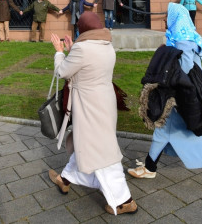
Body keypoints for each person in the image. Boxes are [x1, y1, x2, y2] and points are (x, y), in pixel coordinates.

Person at [128, 3, 202, 181]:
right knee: (192, 130)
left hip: (181, 92)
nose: (165, 19)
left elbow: (185, 65)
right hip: (187, 89)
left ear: (176, 18)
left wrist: (166, 74)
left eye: (167, 16)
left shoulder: (182, 36)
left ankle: (149, 168)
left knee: (170, 129)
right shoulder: (186, 33)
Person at [47, 12, 137, 215]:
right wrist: (73, 50)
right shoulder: (107, 46)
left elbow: (62, 72)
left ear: (82, 29)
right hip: (103, 103)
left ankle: (124, 201)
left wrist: (60, 52)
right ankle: (66, 178)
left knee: (100, 151)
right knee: (89, 143)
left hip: (89, 106)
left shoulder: (83, 48)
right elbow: (87, 68)